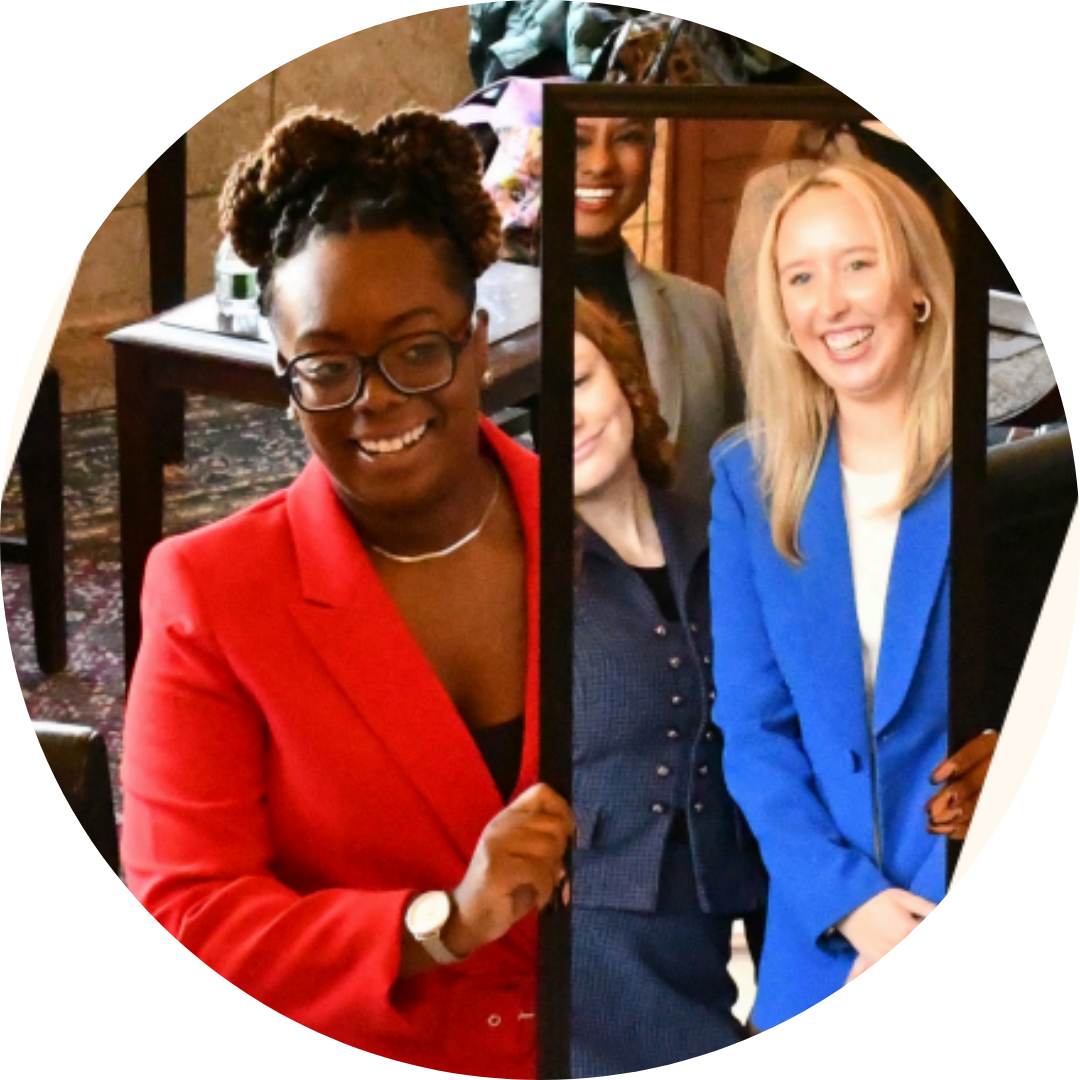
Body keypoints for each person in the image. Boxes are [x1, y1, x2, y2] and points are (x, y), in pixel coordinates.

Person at [119, 107, 574, 1077]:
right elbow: (187, 916)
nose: (375, 398)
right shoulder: (211, 595)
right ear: (284, 376)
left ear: (478, 341)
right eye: (327, 367)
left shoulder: (601, 532)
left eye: (418, 348)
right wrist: (439, 926)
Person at [708, 157, 998, 1032]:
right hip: (823, 948)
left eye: (858, 264)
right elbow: (754, 731)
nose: (830, 302)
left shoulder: (1009, 474)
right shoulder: (749, 482)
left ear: (917, 286)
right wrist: (855, 906)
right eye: (801, 277)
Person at [570, 295, 766, 1076]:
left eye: (578, 383)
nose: (567, 419)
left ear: (626, 382)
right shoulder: (515, 573)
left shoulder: (721, 529)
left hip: (713, 930)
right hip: (581, 948)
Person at [574, 115, 743, 510]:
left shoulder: (704, 311)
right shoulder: (496, 314)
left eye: (628, 137)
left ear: (652, 149)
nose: (600, 163)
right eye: (577, 140)